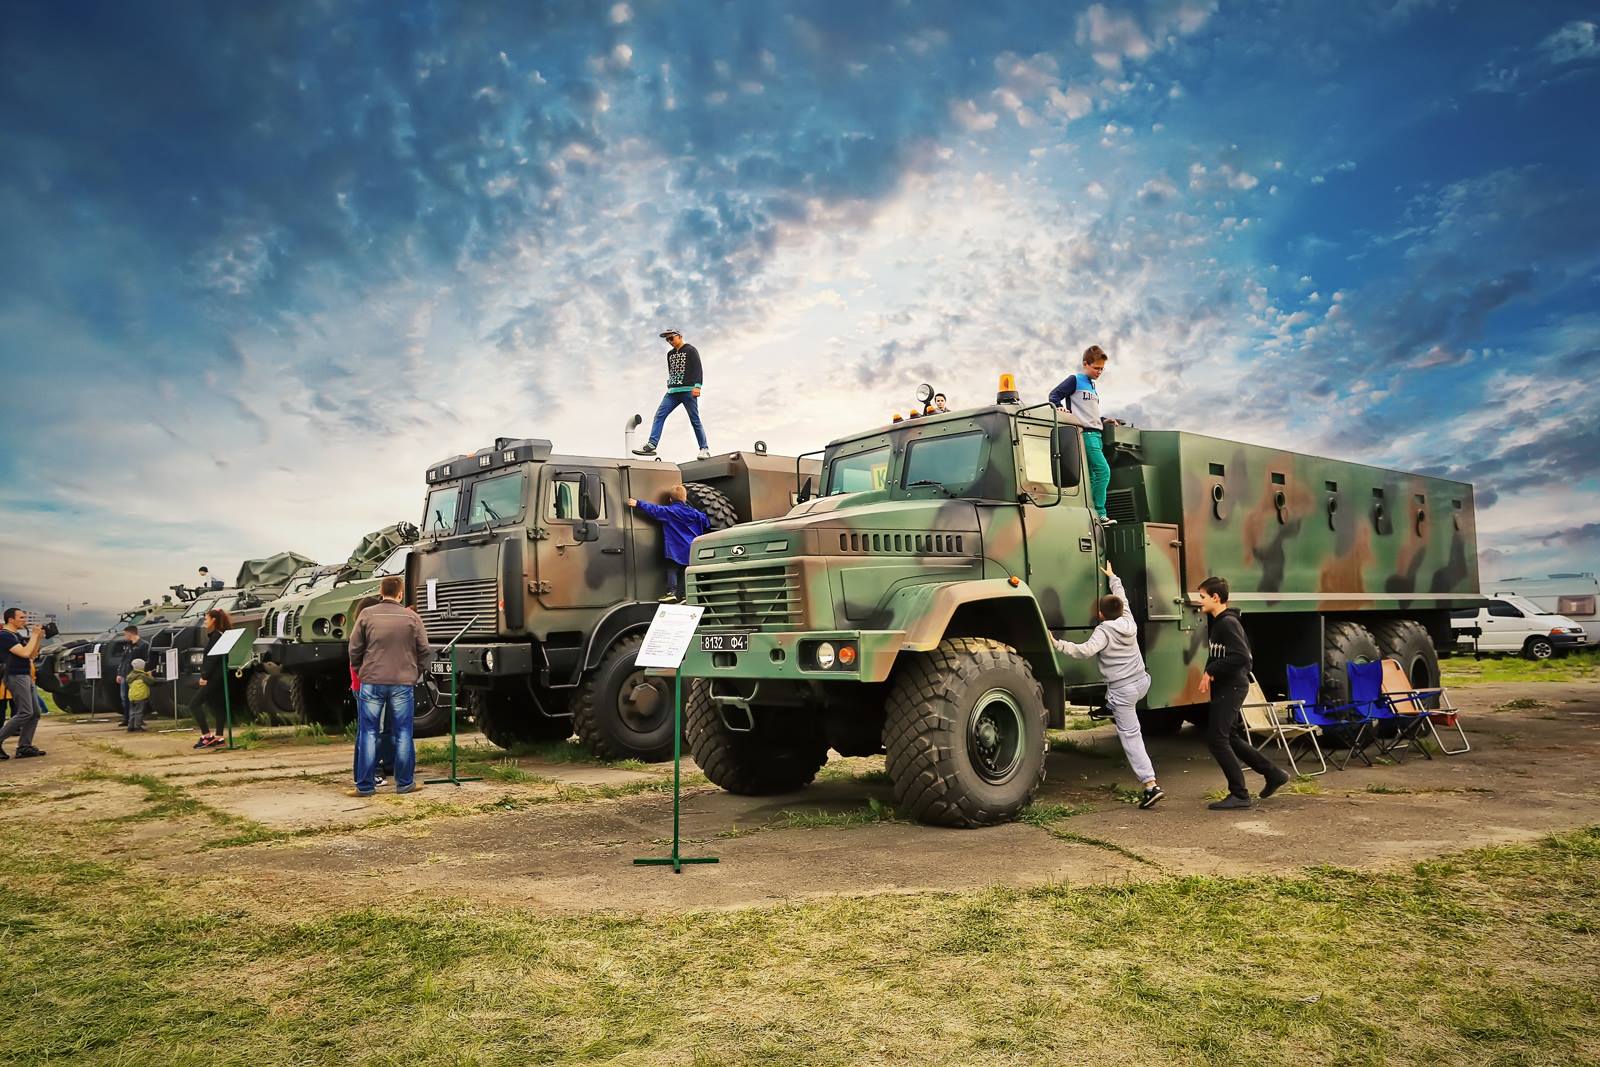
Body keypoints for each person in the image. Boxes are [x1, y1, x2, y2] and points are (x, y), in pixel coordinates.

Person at [1053, 562, 1164, 808]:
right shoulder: (1129, 621)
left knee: (1131, 736)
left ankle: (1150, 785)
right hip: (1141, 682)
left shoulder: (1104, 631)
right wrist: (1114, 576)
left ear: (1101, 615)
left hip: (1123, 689)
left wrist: (1057, 643)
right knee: (1120, 706)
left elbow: (1084, 652)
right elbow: (1121, 598)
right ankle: (1109, 704)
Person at [1196, 576, 1288, 810]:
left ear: (1216, 597)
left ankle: (1239, 794)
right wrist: (1210, 671)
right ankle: (1273, 774)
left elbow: (1242, 656)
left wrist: (1212, 670)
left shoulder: (1227, 623)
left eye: (1203, 597)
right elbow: (1225, 655)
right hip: (1227, 686)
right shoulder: (1220, 623)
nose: (1200, 602)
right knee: (1231, 737)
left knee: (1217, 739)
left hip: (1232, 686)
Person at [346, 575, 430, 797]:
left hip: (372, 681)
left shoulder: (365, 615)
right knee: (403, 733)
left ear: (381, 592)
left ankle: (364, 786)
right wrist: (415, 671)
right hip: (402, 682)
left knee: (368, 733)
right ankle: (404, 784)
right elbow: (424, 649)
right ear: (400, 594)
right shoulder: (411, 617)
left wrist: (362, 670)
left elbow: (354, 649)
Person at [1049, 344, 1120, 526]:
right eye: (1096, 368)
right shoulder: (1075, 380)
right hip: (1086, 434)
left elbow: (1089, 412)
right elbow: (1054, 395)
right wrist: (1059, 407)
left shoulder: (1092, 386)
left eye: (1102, 369)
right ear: (1085, 364)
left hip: (1097, 434)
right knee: (1103, 471)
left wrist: (1104, 420)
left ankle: (1091, 514)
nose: (1099, 372)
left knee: (1093, 477)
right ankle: (1100, 513)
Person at [632, 329, 709, 460]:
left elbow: (698, 369)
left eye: (671, 338)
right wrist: (670, 385)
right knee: (659, 415)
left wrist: (697, 386)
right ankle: (652, 444)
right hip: (672, 392)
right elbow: (671, 371)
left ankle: (704, 449)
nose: (669, 341)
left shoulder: (691, 350)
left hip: (688, 391)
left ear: (679, 336)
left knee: (694, 420)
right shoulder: (670, 354)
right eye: (667, 340)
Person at [626, 485, 711, 602]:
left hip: (676, 549)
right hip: (691, 548)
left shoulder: (669, 512)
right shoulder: (696, 514)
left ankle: (671, 592)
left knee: (672, 568)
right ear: (685, 498)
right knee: (685, 571)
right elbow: (706, 522)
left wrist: (637, 503)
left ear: (670, 500)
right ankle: (685, 595)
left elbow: (654, 509)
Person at [0, 608, 47, 759]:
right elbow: (25, 653)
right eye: (21, 617)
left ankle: (24, 746)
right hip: (15, 676)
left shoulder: (16, 635)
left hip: (25, 675)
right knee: (25, 712)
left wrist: (38, 638)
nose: (24, 620)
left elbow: (32, 655)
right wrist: (33, 635)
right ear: (10, 620)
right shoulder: (5, 636)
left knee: (35, 713)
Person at [191, 607, 232, 749]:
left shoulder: (216, 637)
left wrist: (204, 676)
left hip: (213, 677)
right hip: (221, 677)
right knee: (218, 706)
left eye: (206, 618)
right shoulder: (221, 635)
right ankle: (219, 737)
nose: (204, 621)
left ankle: (206, 736)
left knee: (194, 704)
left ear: (213, 620)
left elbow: (211, 659)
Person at [115, 624, 151, 727]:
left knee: (137, 697)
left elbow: (145, 660)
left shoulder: (143, 645)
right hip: (126, 674)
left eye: (125, 634)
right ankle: (127, 718)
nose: (125, 636)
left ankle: (138, 719)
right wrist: (119, 673)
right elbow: (123, 660)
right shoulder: (128, 645)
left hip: (136, 676)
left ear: (130, 633)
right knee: (124, 697)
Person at [125, 658, 157, 732]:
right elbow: (152, 682)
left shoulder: (130, 676)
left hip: (132, 697)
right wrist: (150, 675)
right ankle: (137, 726)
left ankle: (130, 726)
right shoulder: (142, 676)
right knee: (139, 712)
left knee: (132, 712)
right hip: (140, 697)